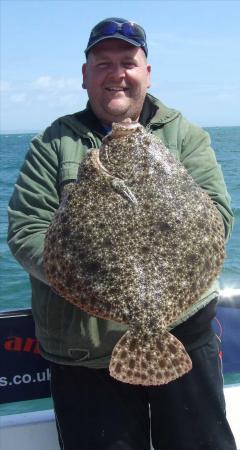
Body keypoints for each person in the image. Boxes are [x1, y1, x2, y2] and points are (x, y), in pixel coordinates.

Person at [8, 17, 236, 450]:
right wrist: (93, 279)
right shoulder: (53, 144)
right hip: (82, 351)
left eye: (128, 62)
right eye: (103, 63)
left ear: (147, 72)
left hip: (183, 336)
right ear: (85, 76)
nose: (117, 74)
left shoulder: (184, 136)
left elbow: (218, 218)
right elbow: (25, 232)